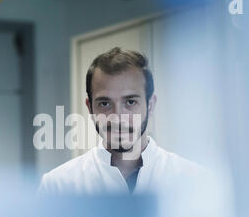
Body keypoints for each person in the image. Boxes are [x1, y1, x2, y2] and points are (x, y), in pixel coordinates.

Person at [37, 47, 205, 198]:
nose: (117, 117)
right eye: (105, 104)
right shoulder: (58, 186)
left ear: (151, 105)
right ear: (90, 108)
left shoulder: (194, 181)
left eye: (130, 102)